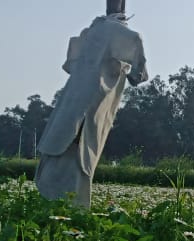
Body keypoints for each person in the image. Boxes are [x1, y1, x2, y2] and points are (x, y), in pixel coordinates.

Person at [35, 0, 147, 208]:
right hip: (84, 110)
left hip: (79, 107)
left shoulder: (94, 32)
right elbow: (138, 75)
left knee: (70, 157)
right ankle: (65, 212)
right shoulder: (114, 33)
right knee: (74, 156)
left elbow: (72, 62)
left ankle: (56, 210)